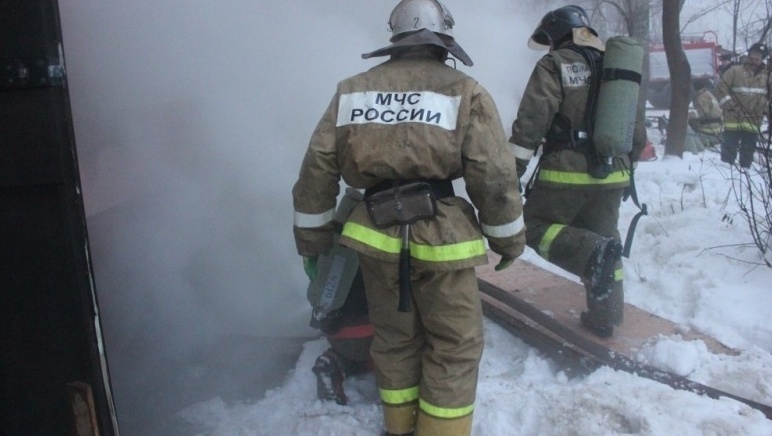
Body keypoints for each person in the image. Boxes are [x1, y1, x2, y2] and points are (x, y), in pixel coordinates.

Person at [292, 1, 526, 434]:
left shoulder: (352, 90)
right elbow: (493, 174)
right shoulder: (465, 90)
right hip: (442, 240)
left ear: (395, 38)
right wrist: (507, 239)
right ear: (444, 39)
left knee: (395, 340)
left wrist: (313, 243)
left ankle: (398, 428)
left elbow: (316, 171)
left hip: (375, 235)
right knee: (454, 345)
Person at [509, 5, 646, 338]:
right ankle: (604, 318)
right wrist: (628, 170)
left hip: (566, 172)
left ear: (558, 35)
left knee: (531, 227)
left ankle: (592, 253)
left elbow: (532, 121)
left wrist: (511, 171)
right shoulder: (617, 66)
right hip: (615, 172)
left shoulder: (554, 64)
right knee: (606, 241)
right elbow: (636, 129)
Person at [306, 188, 373, 406]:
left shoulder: (337, 233)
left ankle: (336, 361)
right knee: (404, 350)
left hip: (340, 336)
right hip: (375, 336)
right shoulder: (397, 233)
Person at [713, 42, 770, 168]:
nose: (754, 60)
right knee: (728, 153)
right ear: (748, 55)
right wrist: (731, 106)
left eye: (757, 58)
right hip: (733, 119)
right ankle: (726, 173)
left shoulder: (767, 76)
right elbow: (720, 89)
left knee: (748, 153)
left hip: (754, 121)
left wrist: (764, 108)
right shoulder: (734, 71)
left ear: (763, 59)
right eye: (752, 57)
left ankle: (746, 171)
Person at [688, 81, 722, 150]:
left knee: (690, 120)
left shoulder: (701, 98)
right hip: (718, 126)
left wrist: (690, 115)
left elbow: (702, 113)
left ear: (695, 89)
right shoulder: (708, 94)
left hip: (709, 128)